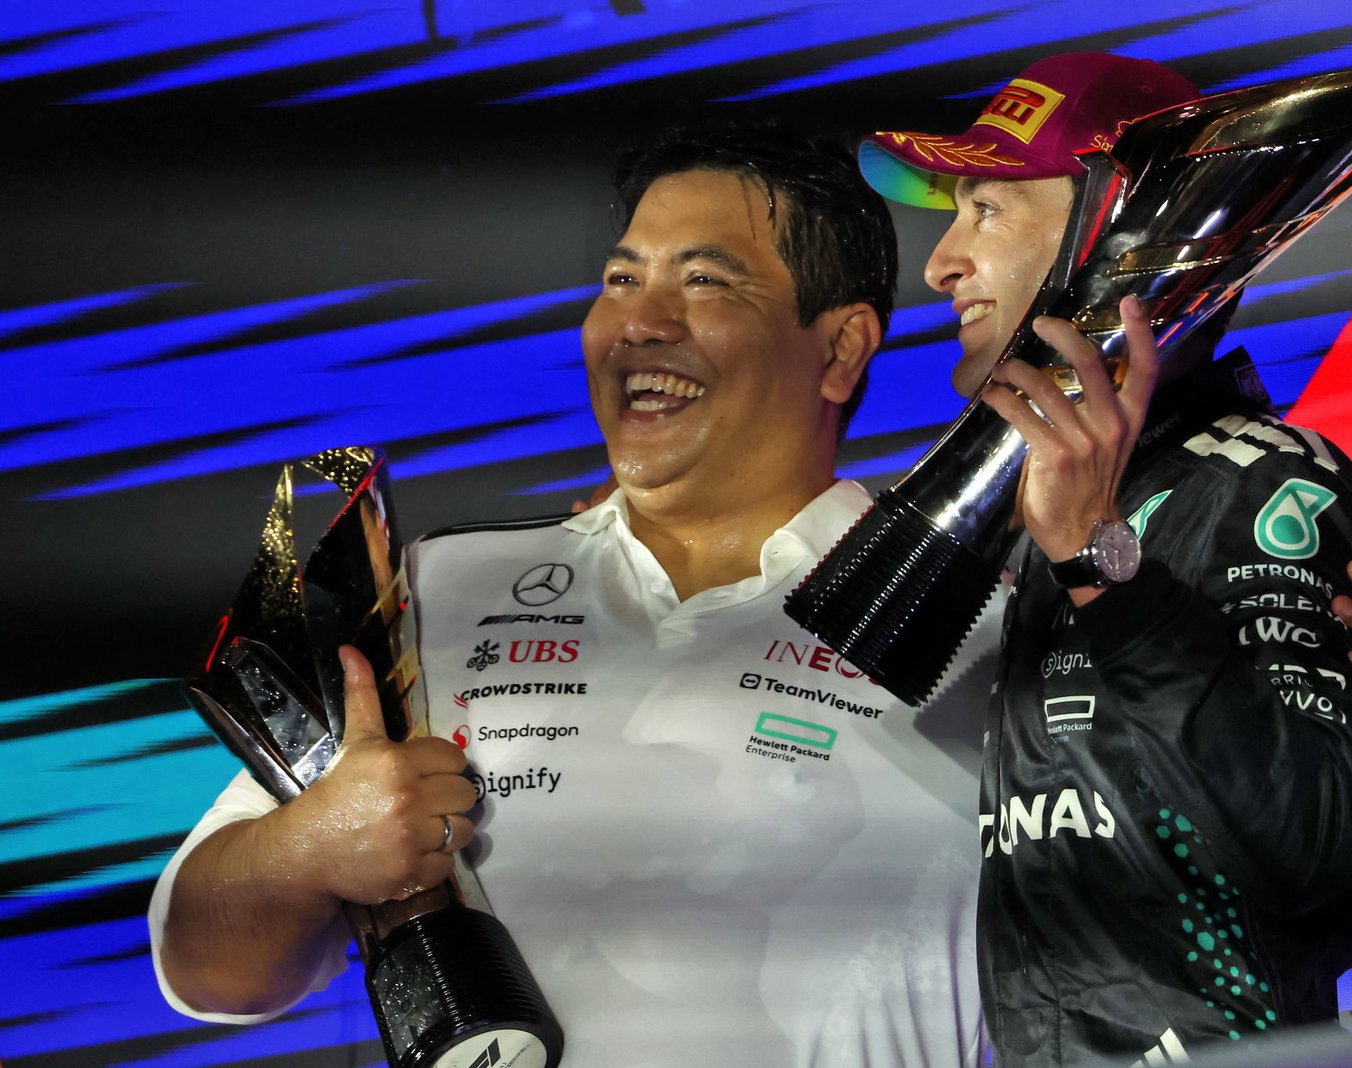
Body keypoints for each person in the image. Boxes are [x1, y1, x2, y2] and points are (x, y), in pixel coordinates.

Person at [148, 125, 1001, 1066]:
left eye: (705, 280)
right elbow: (209, 971)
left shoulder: (992, 619)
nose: (639, 322)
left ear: (841, 349)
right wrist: (308, 851)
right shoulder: (430, 589)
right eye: (620, 280)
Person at [857, 52, 1352, 1064]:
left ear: (1114, 240)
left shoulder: (1267, 487)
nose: (941, 263)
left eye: (988, 211)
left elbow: (1313, 866)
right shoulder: (1049, 512)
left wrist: (1105, 566)